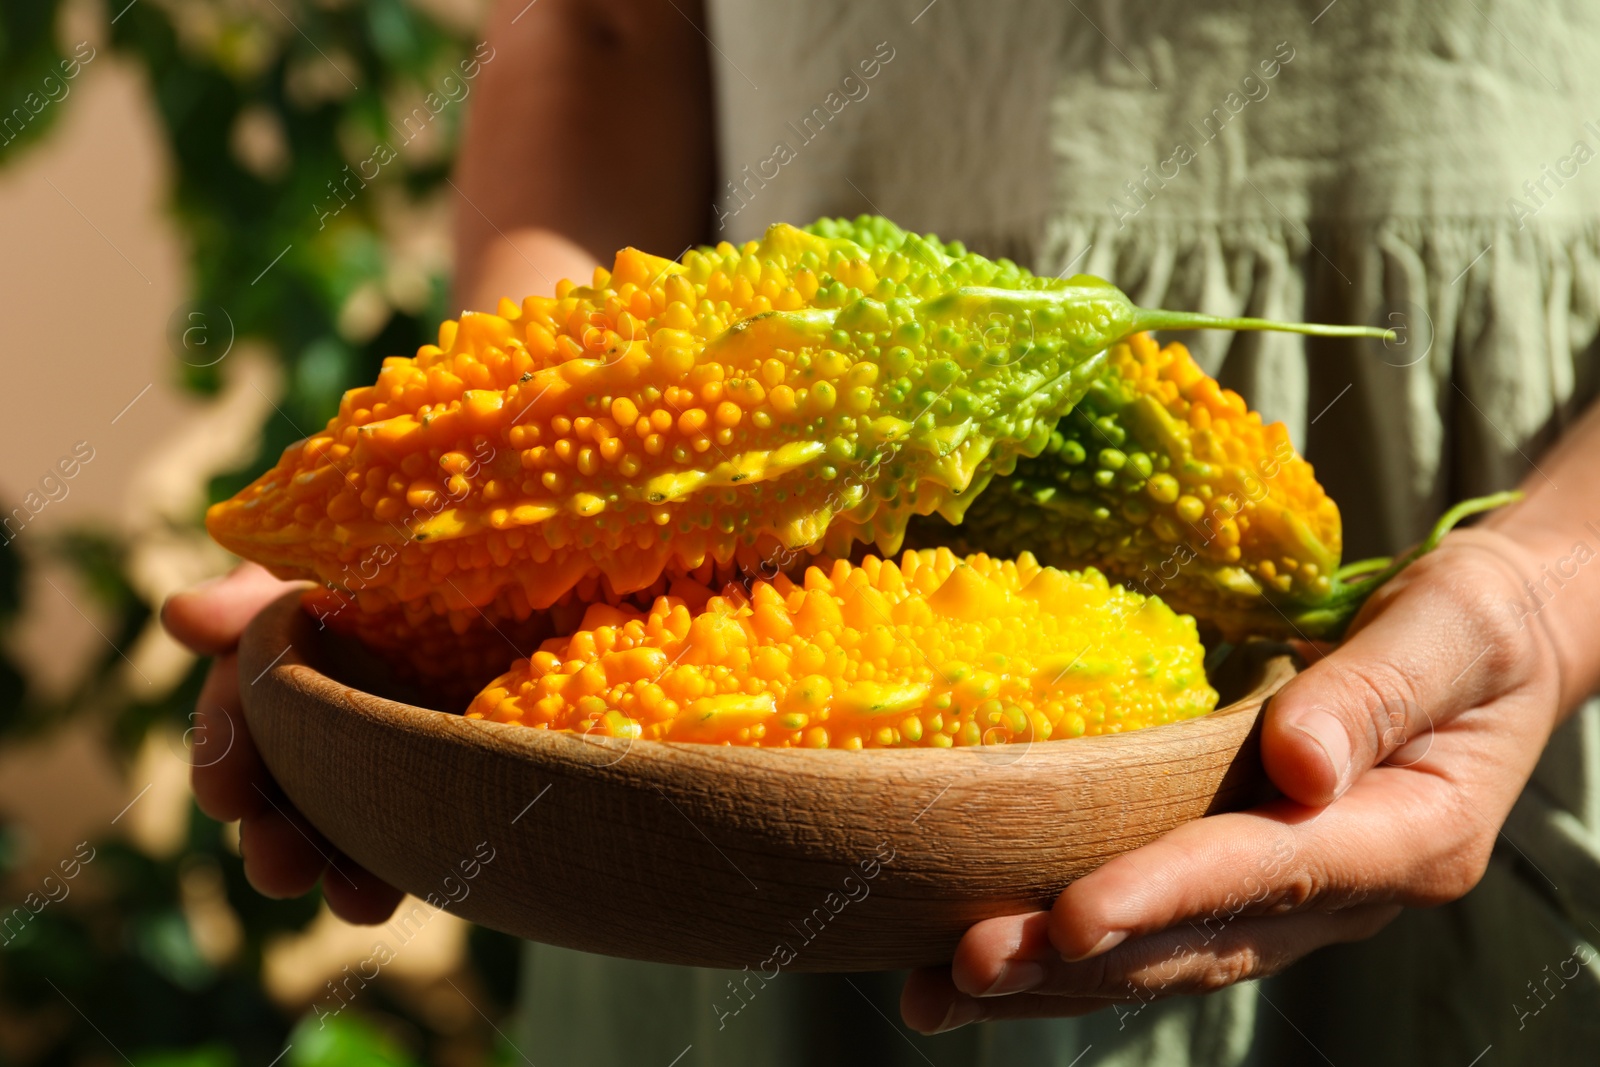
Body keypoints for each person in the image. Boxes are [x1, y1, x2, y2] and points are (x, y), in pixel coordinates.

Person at [163, 0, 1600, 1062]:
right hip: (733, 647)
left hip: (1521, 515)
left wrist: (1547, 585)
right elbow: (605, 31)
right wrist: (488, 509)